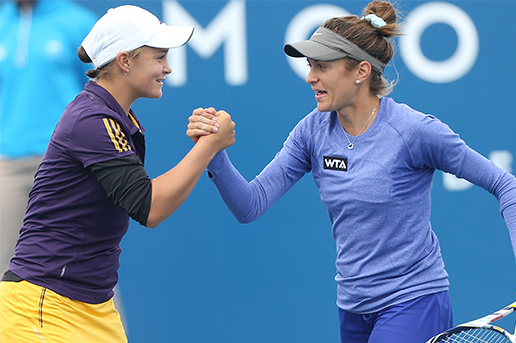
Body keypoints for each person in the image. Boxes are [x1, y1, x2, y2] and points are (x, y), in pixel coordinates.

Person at [186, 1, 516, 342]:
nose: (310, 77)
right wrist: (212, 151)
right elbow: (249, 205)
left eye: (322, 67)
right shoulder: (311, 131)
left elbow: (506, 185)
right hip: (353, 308)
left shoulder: (415, 131)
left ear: (360, 72)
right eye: (310, 66)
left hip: (413, 301)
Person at [0, 5, 235, 343]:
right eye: (159, 58)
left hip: (94, 309)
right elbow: (150, 207)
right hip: (41, 307)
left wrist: (205, 147)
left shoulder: (116, 118)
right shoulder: (92, 120)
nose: (167, 68)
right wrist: (207, 148)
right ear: (125, 61)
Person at [0, 0, 97, 276]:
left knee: (87, 258)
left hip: (67, 163)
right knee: (4, 265)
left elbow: (101, 94)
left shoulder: (79, 23)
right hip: (7, 164)